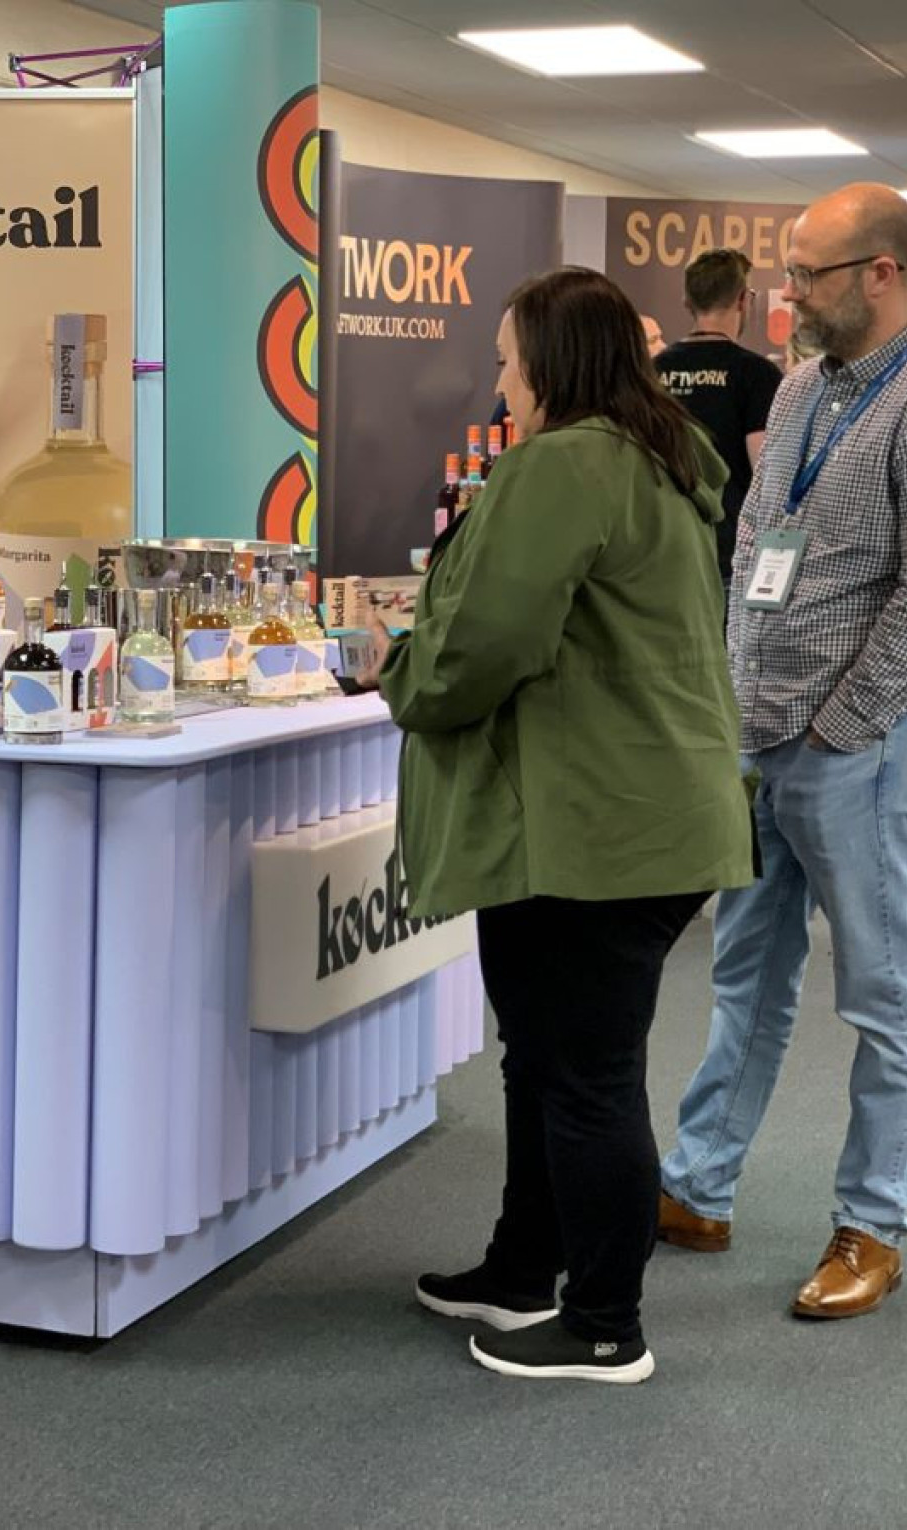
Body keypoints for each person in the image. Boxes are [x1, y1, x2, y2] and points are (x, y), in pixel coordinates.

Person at [377, 268, 753, 1383]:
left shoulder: (565, 464)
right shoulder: (656, 459)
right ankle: (519, 1270)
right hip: (634, 813)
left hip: (597, 826)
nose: (498, 382)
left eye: (505, 358)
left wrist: (400, 675)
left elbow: (482, 642)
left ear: (550, 362)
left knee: (581, 1073)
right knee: (547, 1061)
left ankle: (601, 1323)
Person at [658, 183, 907, 1319]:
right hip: (756, 736)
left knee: (883, 995)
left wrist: (841, 725)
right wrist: (734, 699)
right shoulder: (802, 388)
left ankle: (873, 1222)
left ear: (883, 272)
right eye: (790, 271)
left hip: (860, 753)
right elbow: (755, 542)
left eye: (810, 273)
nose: (789, 294)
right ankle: (698, 1184)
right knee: (744, 975)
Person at [654, 249, 783, 591]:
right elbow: (765, 471)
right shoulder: (756, 375)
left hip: (661, 546)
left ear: (687, 301)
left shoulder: (650, 372)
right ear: (743, 300)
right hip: (726, 551)